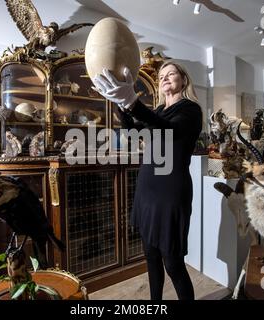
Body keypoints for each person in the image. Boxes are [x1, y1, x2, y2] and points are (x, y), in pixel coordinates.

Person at [93, 61, 203, 300]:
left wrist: (132, 102)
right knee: (151, 257)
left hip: (170, 192)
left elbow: (168, 130)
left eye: (170, 74)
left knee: (173, 264)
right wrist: (121, 105)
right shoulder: (159, 112)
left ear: (183, 80)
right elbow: (133, 133)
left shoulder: (191, 110)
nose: (164, 78)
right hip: (147, 190)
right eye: (161, 75)